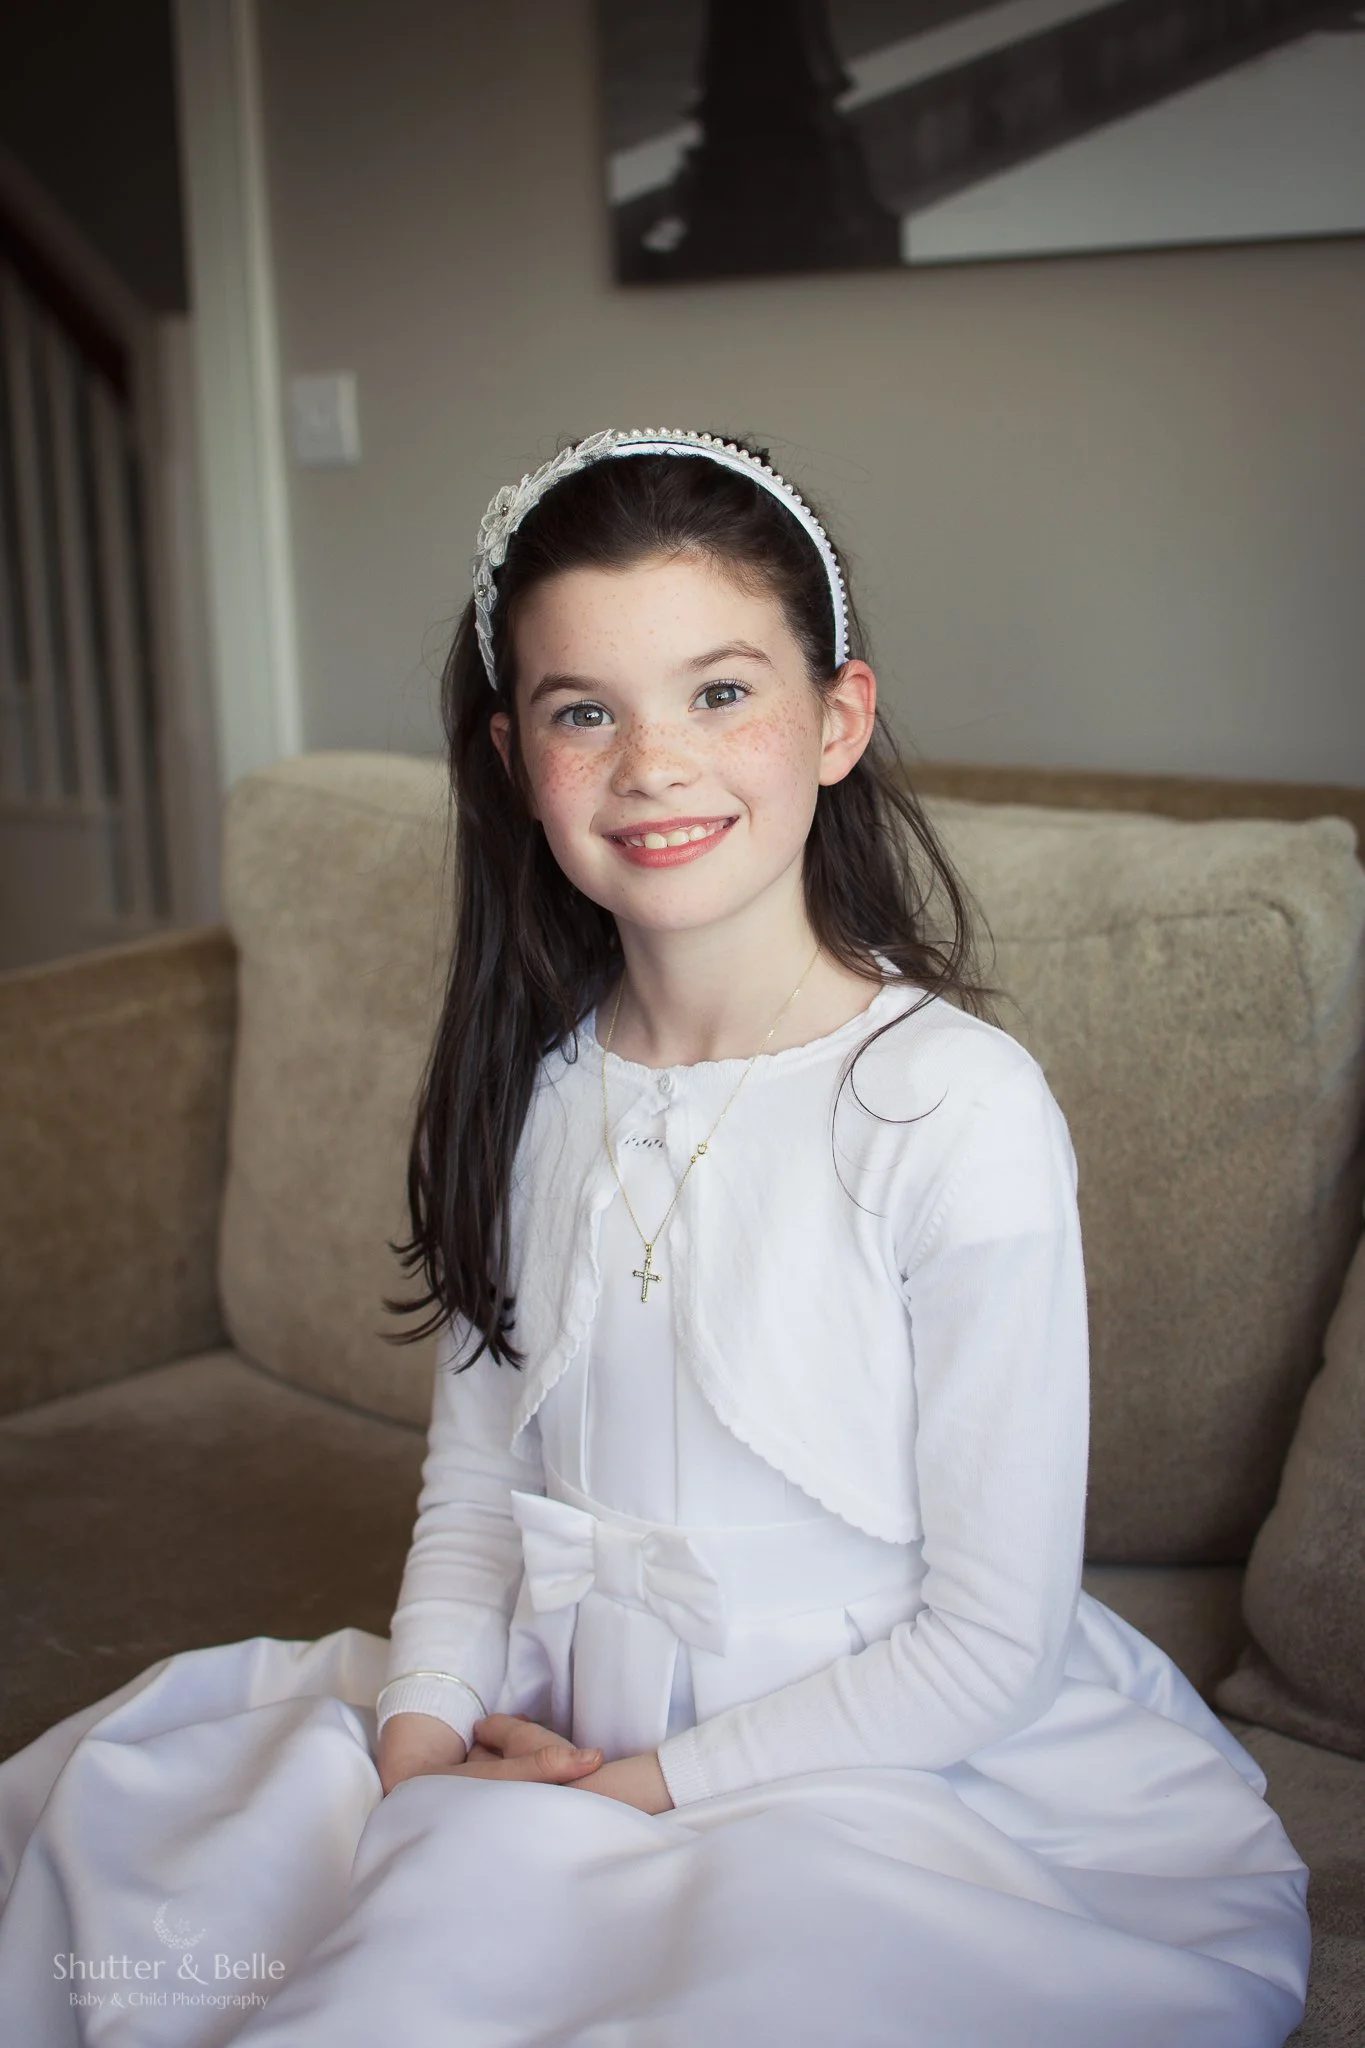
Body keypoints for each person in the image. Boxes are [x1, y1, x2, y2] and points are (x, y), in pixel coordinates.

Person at [0, 428, 1310, 2047]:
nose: (653, 764)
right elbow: (478, 1491)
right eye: (582, 711)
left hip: (857, 1758)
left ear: (837, 721)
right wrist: (421, 1743)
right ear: (510, 755)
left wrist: (632, 1793)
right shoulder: (537, 1088)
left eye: (719, 692)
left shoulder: (951, 1111)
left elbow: (988, 1642)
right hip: (543, 1713)